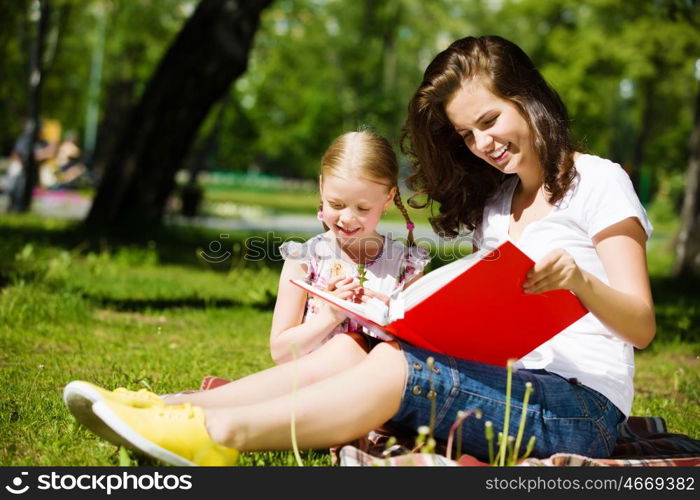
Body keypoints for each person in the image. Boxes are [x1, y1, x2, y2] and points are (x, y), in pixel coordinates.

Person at [64, 36, 655, 467]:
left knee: (396, 368)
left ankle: (218, 435)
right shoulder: (499, 207)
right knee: (355, 346)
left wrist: (579, 280)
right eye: (466, 135)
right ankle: (173, 408)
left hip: (580, 410)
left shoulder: (597, 181)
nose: (482, 144)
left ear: (527, 97)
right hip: (506, 384)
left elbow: (642, 325)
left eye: (489, 120)